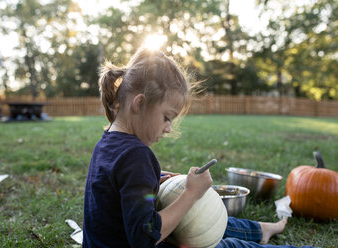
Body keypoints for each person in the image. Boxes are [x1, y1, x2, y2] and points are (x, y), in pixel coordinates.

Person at [83, 48, 315, 248]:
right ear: (140, 103)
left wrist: (157, 179)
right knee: (224, 242)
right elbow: (144, 238)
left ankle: (262, 230)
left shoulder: (107, 143)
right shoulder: (137, 156)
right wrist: (191, 194)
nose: (168, 128)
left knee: (205, 218)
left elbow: (117, 187)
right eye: (167, 117)